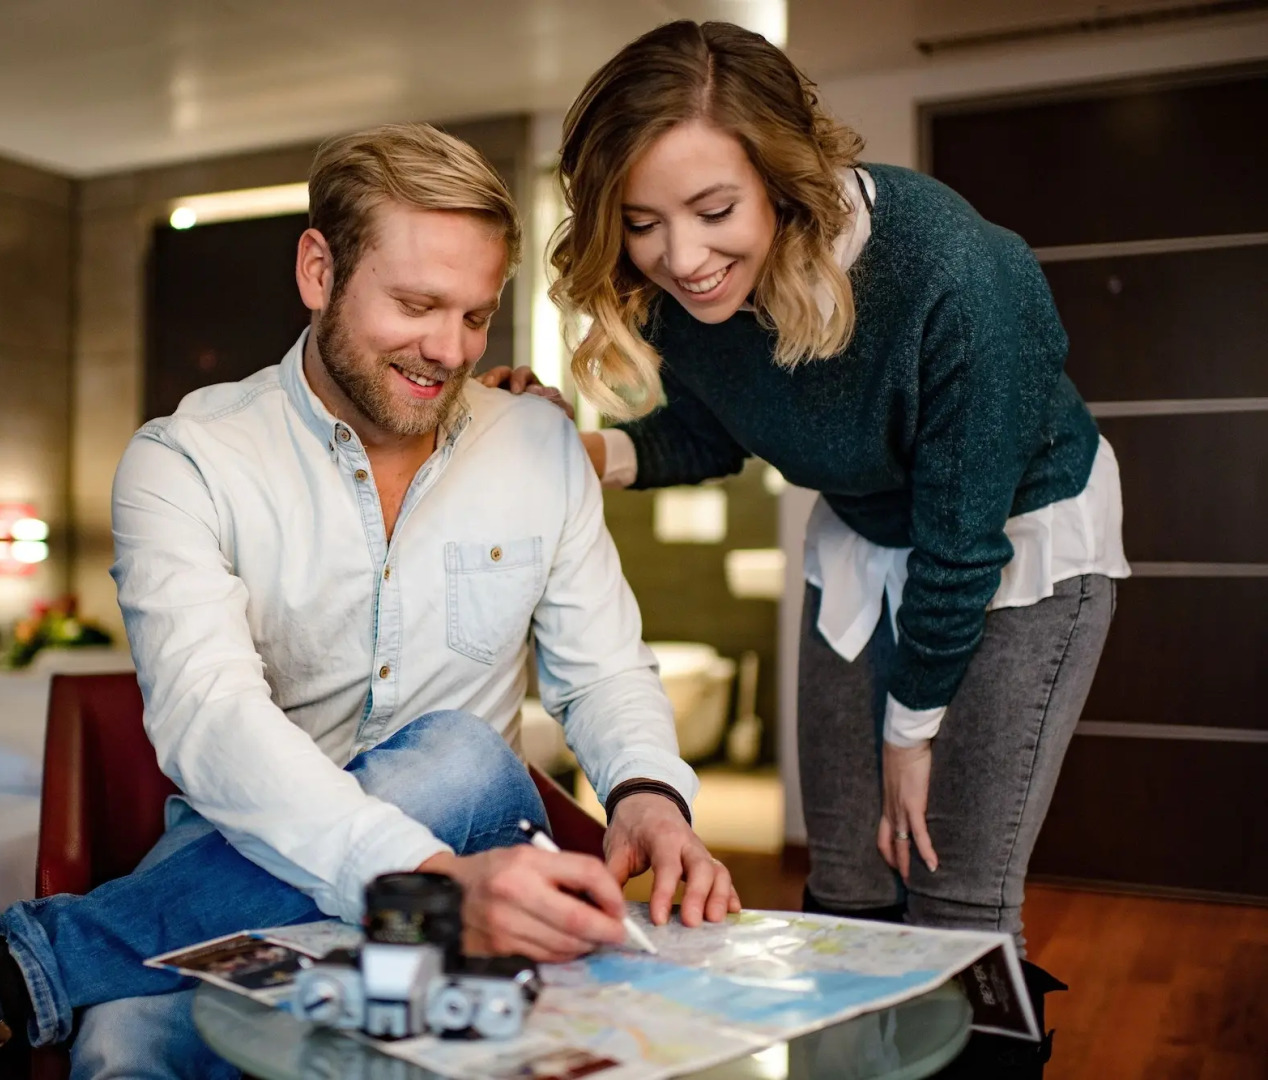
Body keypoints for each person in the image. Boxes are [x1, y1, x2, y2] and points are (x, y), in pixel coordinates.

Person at [0, 122, 737, 1080]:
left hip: (463, 883)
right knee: (120, 1045)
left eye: (474, 315)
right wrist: (412, 872)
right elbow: (211, 720)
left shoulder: (538, 444)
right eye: (415, 306)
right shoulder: (184, 461)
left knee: (461, 757)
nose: (451, 351)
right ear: (318, 270)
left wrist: (649, 791)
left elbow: (603, 668)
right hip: (260, 860)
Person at [483, 17, 1127, 1039]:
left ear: (787, 176)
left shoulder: (958, 274)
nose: (682, 257)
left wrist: (911, 732)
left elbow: (964, 541)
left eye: (713, 209)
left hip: (1017, 554)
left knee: (950, 891)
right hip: (863, 541)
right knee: (845, 877)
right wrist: (581, 447)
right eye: (643, 221)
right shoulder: (681, 287)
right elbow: (709, 428)